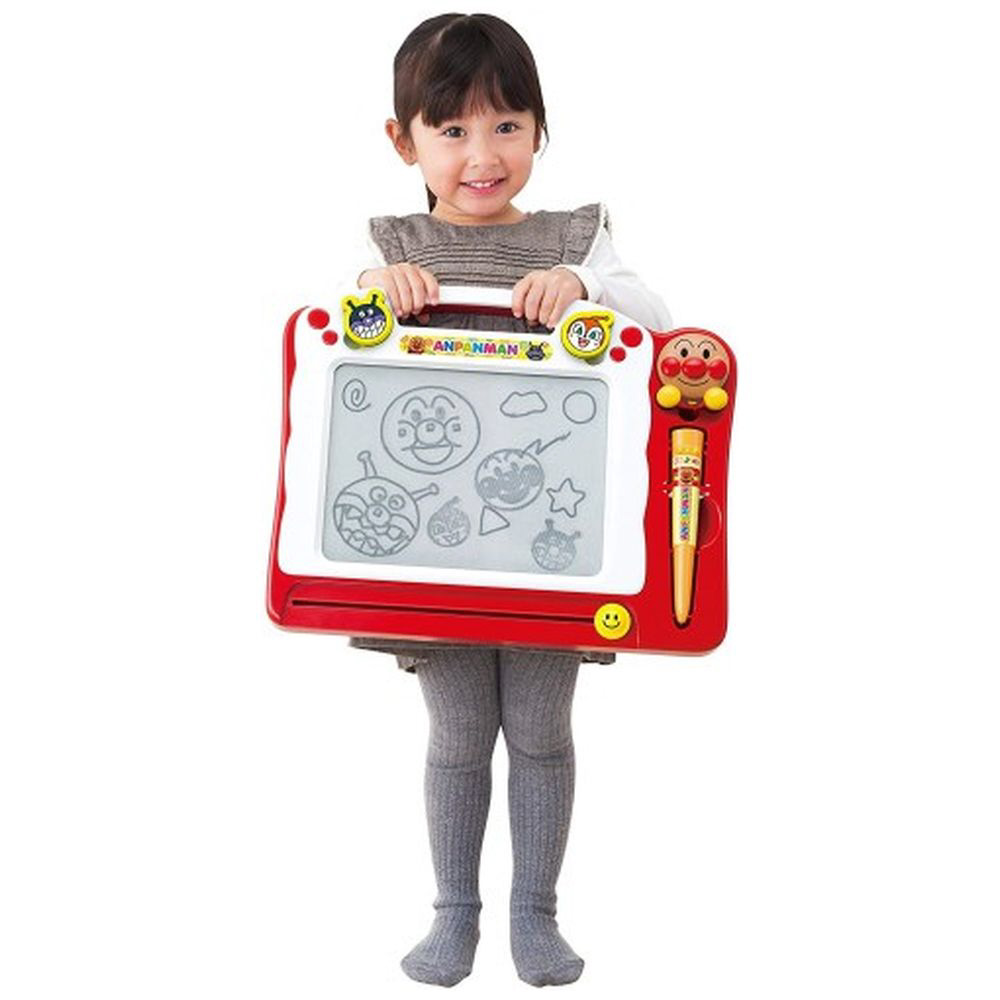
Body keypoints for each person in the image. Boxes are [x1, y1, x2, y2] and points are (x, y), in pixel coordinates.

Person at [342, 13, 672, 987]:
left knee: (537, 730)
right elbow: (343, 360)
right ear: (403, 140)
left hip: (553, 542)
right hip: (433, 549)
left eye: (507, 126)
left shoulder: (578, 239)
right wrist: (373, 287)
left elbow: (659, 321)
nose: (482, 155)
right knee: (455, 735)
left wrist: (583, 286)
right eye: (451, 130)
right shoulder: (396, 248)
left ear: (539, 128)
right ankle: (455, 912)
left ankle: (535, 912)